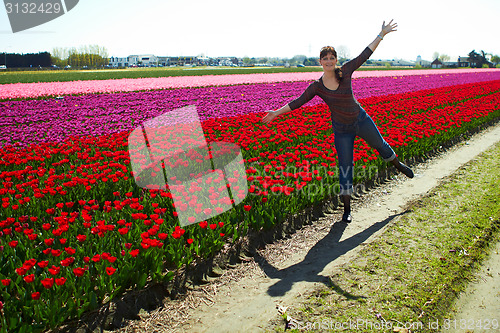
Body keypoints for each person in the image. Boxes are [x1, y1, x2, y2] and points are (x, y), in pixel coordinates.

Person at [262, 20, 414, 223]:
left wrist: (381, 35)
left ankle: (399, 165)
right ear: (320, 62)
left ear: (336, 60)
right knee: (345, 167)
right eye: (325, 58)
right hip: (342, 130)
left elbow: (364, 54)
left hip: (360, 119)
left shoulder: (346, 71)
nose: (328, 61)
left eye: (331, 58)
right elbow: (297, 102)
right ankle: (347, 210)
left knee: (381, 146)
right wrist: (276, 113)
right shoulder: (317, 87)